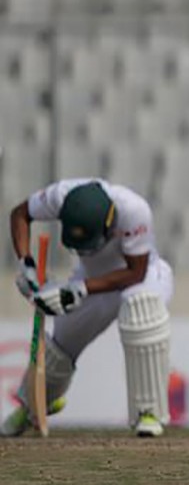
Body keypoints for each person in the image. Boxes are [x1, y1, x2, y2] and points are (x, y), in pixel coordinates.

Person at [2, 178, 173, 438]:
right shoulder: (60, 196)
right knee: (60, 347)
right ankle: (33, 406)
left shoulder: (133, 210)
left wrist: (79, 289)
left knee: (141, 309)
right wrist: (25, 264)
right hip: (91, 280)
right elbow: (20, 214)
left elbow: (136, 272)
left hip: (142, 278)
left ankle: (148, 412)